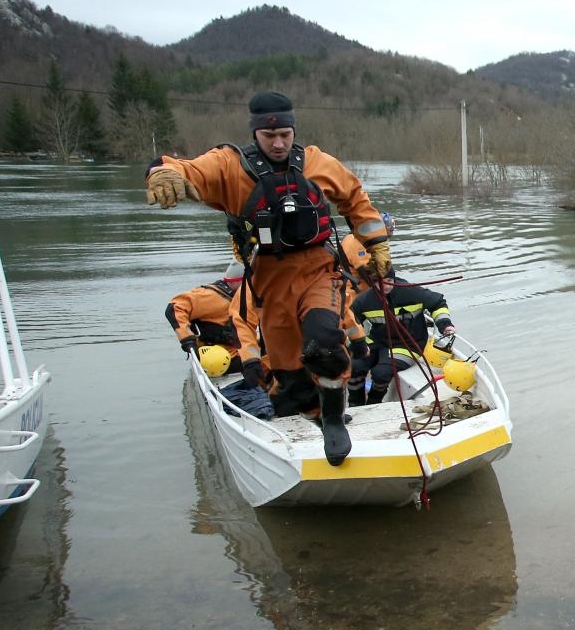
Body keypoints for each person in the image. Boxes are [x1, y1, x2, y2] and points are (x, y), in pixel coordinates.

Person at [144, 91, 391, 464]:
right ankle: (308, 412)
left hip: (317, 272)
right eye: (269, 136)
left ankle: (333, 416)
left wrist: (376, 245)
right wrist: (161, 171)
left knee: (324, 340)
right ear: (255, 134)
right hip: (268, 281)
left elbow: (354, 197)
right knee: (290, 372)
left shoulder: (317, 162)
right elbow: (187, 169)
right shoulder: (229, 166)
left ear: (294, 131)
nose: (278, 143)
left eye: (285, 135)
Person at [351, 269, 457, 404]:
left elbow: (438, 303)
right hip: (378, 342)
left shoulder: (412, 292)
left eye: (389, 281)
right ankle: (355, 403)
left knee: (381, 373)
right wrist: (357, 344)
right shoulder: (365, 300)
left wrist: (445, 325)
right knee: (353, 365)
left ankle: (374, 401)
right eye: (380, 283)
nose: (386, 286)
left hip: (408, 345)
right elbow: (351, 321)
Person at [164, 261, 258, 371]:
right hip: (219, 357)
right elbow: (174, 308)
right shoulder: (210, 296)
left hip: (239, 351)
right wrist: (187, 339)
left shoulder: (246, 300)